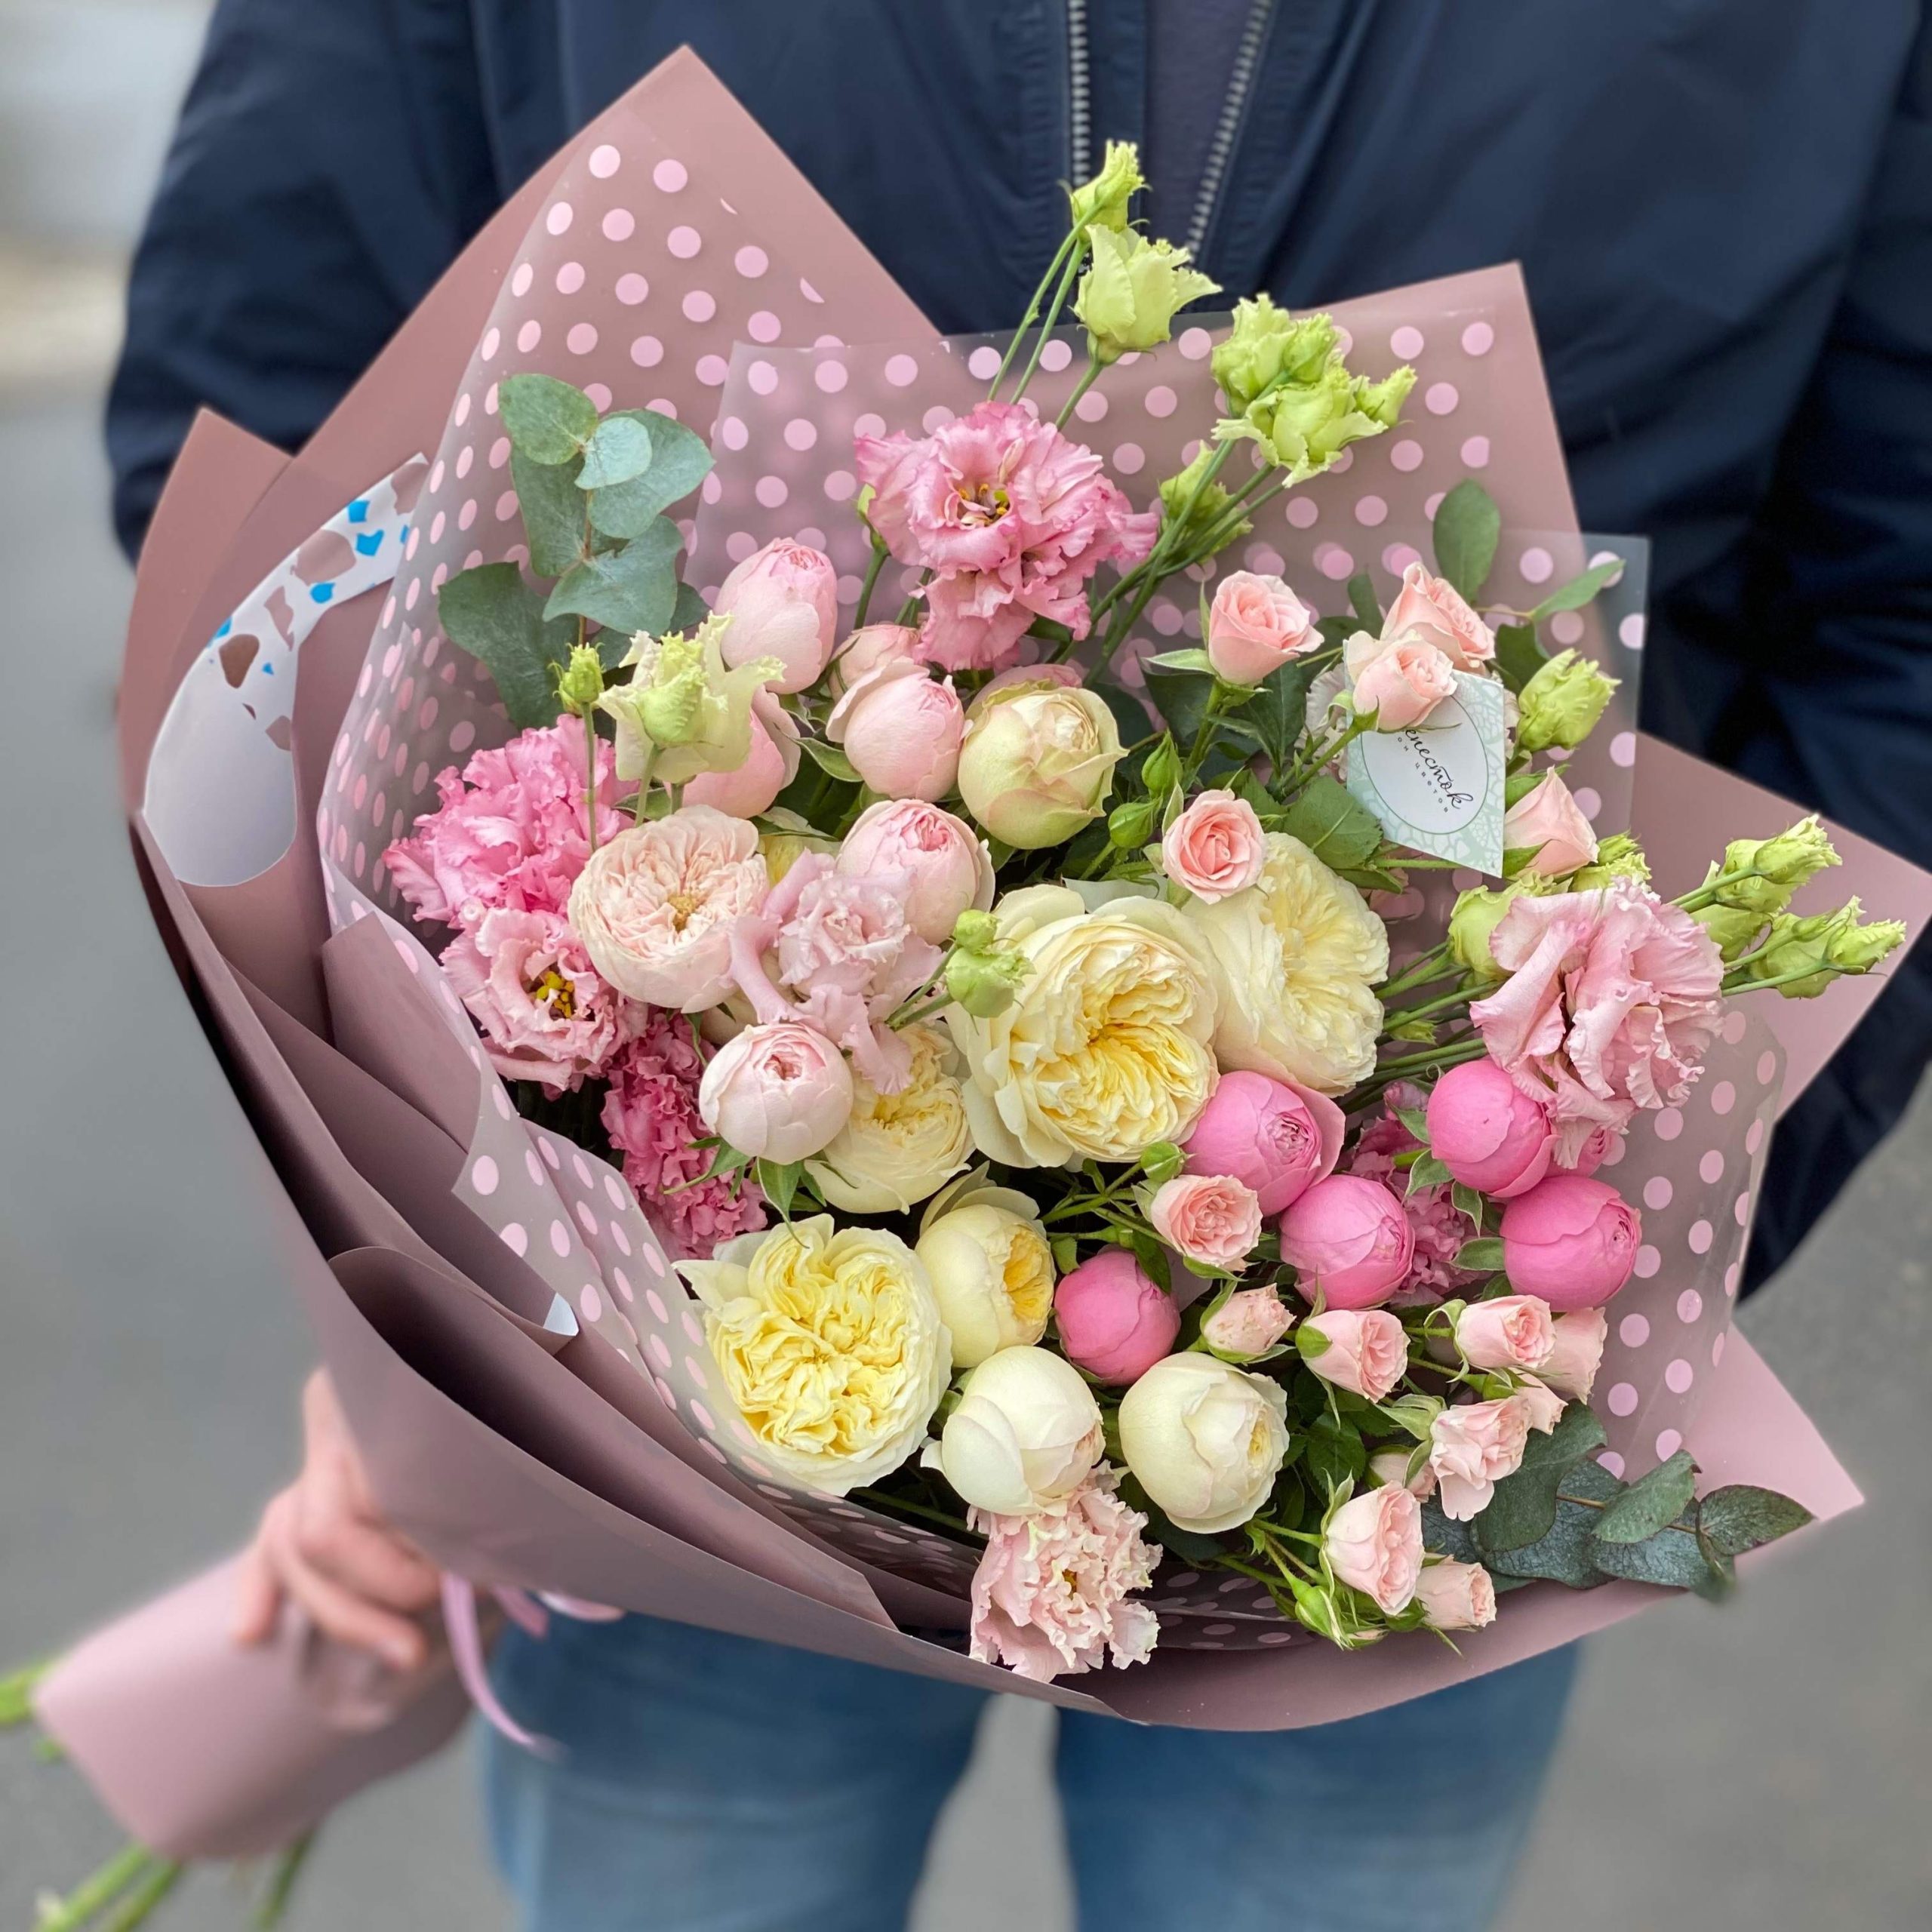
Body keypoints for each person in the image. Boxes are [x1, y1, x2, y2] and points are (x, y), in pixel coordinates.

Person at [110, 5, 1931, 1928]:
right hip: (644, 1375)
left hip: (1385, 1402)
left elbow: (1896, 613)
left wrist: (1626, 1206)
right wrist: (431, 1269)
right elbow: (289, 461)